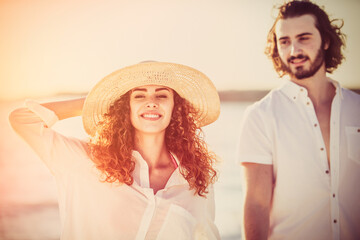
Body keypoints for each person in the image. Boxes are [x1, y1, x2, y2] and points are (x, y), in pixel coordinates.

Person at [9, 61, 221, 239]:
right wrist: (97, 102)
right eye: (139, 96)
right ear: (124, 107)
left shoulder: (195, 179)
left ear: (176, 106)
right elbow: (22, 120)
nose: (151, 103)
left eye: (162, 95)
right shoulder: (86, 162)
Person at [237, 1, 360, 240]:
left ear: (325, 40)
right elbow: (256, 205)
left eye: (303, 38)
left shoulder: (357, 109)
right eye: (284, 41)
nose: (293, 51)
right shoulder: (260, 116)